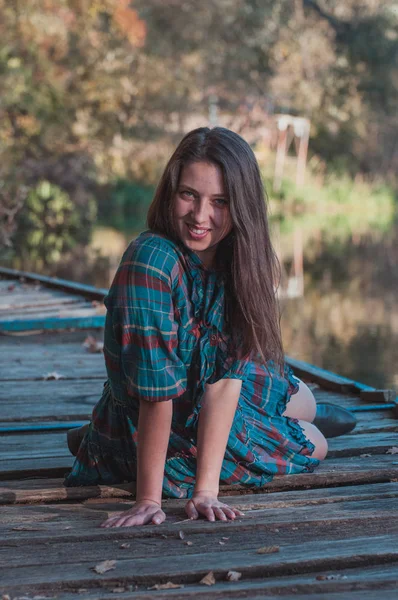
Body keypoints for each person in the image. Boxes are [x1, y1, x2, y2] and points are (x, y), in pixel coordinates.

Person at [65, 127, 354, 528]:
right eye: (189, 195)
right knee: (316, 444)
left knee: (303, 397)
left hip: (202, 387)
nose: (201, 217)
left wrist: (207, 492)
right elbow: (156, 393)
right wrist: (149, 499)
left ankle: (294, 416)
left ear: (242, 207)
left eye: (220, 201)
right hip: (162, 415)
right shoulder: (150, 262)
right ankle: (106, 441)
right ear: (170, 191)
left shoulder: (238, 259)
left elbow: (225, 380)